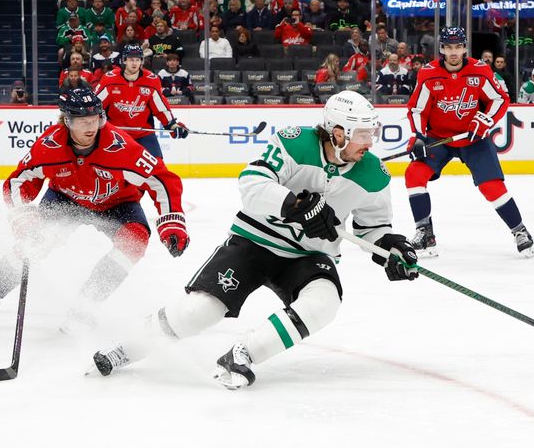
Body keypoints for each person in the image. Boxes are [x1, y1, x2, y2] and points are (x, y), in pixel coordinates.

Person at [88, 91, 419, 388]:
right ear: (338, 133)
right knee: (199, 312)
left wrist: (390, 246)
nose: (369, 142)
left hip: (307, 255)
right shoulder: (295, 143)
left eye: (371, 133)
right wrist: (295, 205)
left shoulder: (375, 174)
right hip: (254, 241)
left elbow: (370, 227)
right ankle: (126, 347)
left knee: (324, 302)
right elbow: (252, 183)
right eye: (362, 134)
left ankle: (242, 354)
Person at [0, 87, 189, 333]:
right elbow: (19, 180)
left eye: (95, 119)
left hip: (116, 203)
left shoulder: (121, 147)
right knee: (36, 242)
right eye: (83, 121)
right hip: (65, 199)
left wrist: (172, 221)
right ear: (67, 121)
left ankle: (85, 306)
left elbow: (162, 179)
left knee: (134, 240)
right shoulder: (49, 146)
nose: (91, 127)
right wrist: (24, 217)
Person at [405, 27, 534, 258]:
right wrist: (418, 136)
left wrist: (484, 121)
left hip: (473, 138)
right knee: (414, 174)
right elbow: (417, 109)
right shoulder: (428, 74)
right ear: (442, 49)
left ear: (465, 48)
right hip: (439, 139)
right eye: (448, 47)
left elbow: (499, 99)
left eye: (458, 47)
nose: (453, 52)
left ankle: (519, 231)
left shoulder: (480, 70)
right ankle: (425, 232)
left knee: (491, 187)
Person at [95, 44, 189, 158]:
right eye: (130, 59)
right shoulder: (110, 79)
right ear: (124, 60)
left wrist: (173, 125)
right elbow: (96, 105)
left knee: (157, 170)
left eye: (137, 59)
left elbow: (160, 108)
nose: (134, 63)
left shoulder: (151, 80)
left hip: (144, 134)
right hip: (116, 134)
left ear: (141, 61)